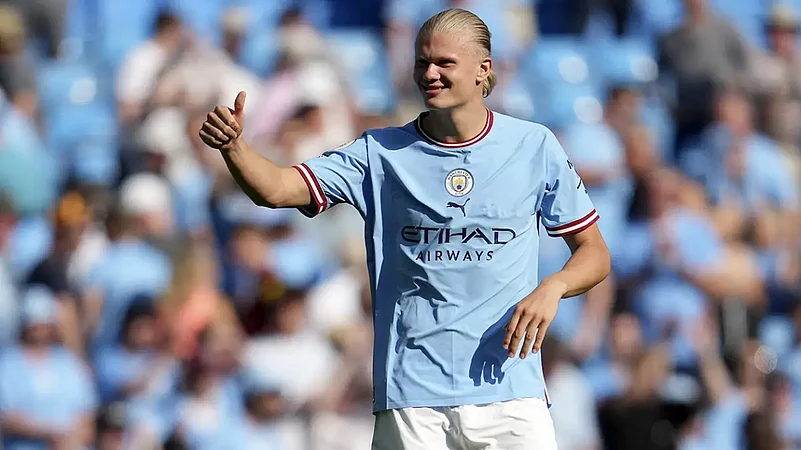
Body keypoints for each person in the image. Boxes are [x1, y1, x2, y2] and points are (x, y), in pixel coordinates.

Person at [199, 8, 610, 448]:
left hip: (510, 392)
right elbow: (278, 190)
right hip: (413, 399)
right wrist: (235, 148)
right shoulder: (379, 152)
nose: (430, 74)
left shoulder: (534, 145)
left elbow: (594, 254)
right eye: (422, 62)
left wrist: (553, 287)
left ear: (483, 69)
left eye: (444, 63)